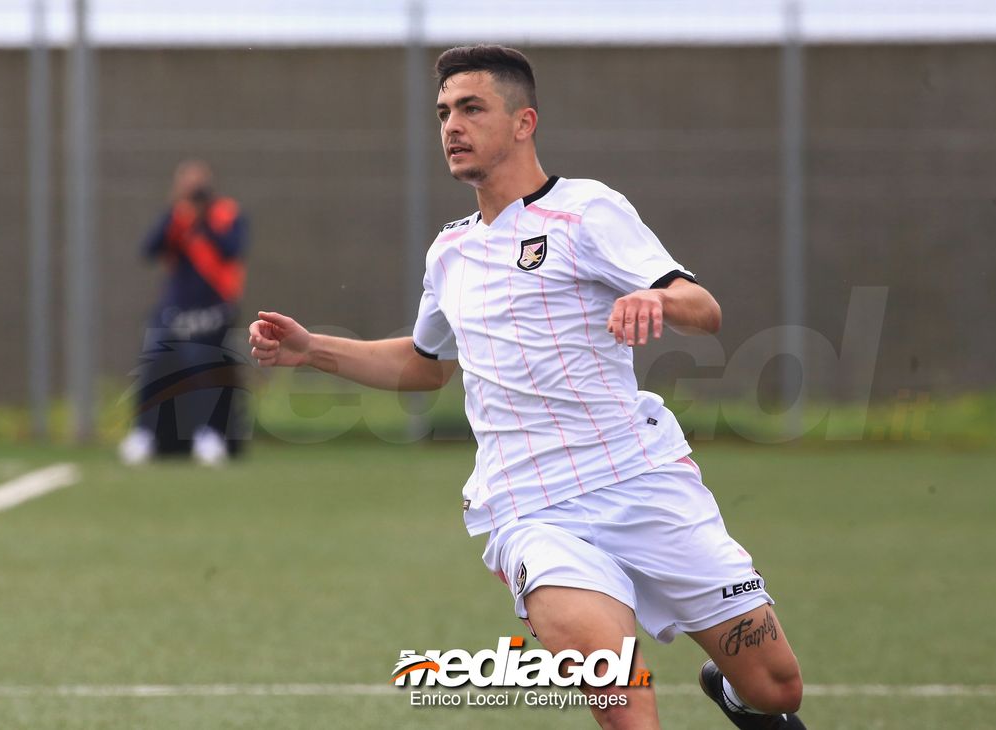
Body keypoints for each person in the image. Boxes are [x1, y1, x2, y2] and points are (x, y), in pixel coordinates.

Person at [249, 45, 805, 729]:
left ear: (524, 122)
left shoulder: (587, 212)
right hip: (532, 511)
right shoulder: (450, 251)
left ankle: (734, 692)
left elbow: (703, 306)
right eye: (444, 112)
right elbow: (425, 364)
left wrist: (656, 303)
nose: (452, 125)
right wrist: (312, 350)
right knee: (624, 697)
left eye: (472, 108)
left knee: (778, 689)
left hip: (642, 480)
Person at [119, 160, 250, 466]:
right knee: (154, 361)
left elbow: (232, 249)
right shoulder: (176, 217)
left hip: (214, 308)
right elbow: (149, 249)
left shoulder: (226, 214)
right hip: (176, 309)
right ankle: (144, 434)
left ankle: (209, 434)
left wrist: (202, 220)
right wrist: (175, 216)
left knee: (204, 363)